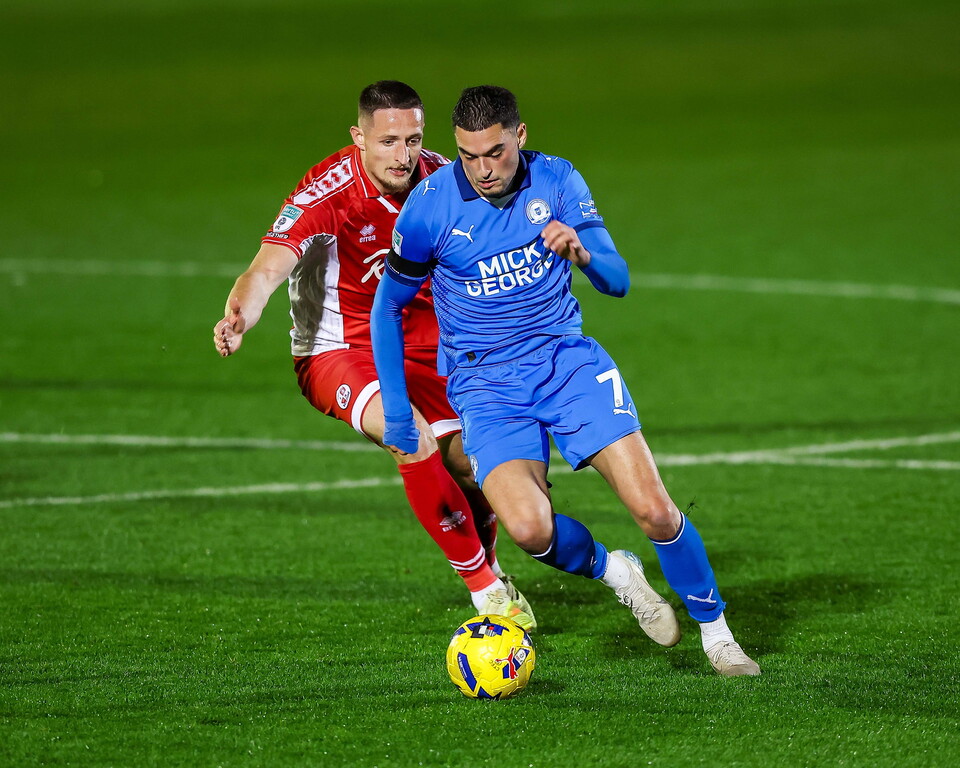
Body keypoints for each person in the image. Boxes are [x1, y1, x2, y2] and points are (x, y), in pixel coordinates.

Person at [371, 85, 759, 676]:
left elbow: (618, 281)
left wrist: (582, 254)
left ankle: (718, 634)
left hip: (566, 365)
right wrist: (398, 410)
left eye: (495, 153)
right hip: (486, 387)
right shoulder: (428, 208)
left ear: (519, 136)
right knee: (529, 531)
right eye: (469, 156)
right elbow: (387, 309)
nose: (482, 169)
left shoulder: (556, 181)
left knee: (656, 512)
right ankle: (616, 571)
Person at [213, 81, 535, 630]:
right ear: (359, 137)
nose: (402, 155)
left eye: (412, 139)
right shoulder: (327, 194)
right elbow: (265, 268)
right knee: (407, 433)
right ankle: (486, 593)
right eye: (387, 142)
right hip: (337, 350)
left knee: (474, 465)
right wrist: (240, 312)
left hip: (426, 346)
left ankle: (492, 568)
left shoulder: (441, 178)